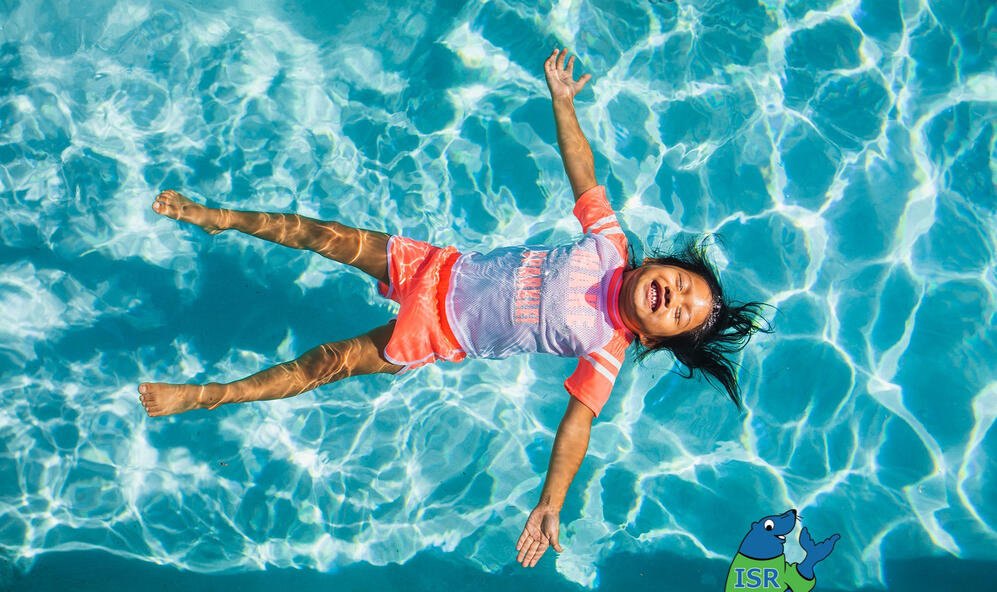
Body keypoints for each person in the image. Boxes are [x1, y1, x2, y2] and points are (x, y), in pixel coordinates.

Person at [138, 49, 769, 568]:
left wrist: (553, 501)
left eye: (681, 314)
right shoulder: (609, 241)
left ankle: (208, 395)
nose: (676, 297)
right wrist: (563, 102)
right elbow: (582, 167)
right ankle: (219, 218)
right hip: (436, 265)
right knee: (319, 230)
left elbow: (576, 431)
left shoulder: (606, 351)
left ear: (657, 340)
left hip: (436, 331)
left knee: (321, 364)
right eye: (683, 284)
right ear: (664, 264)